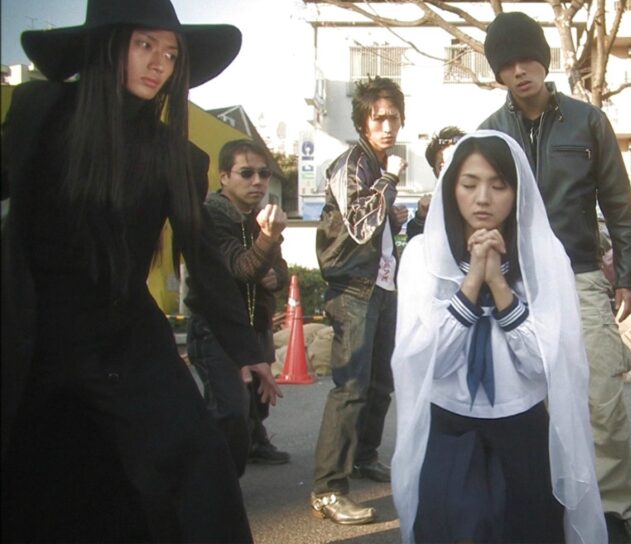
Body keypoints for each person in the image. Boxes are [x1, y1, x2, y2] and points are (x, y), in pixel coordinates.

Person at [0, 0, 280, 542]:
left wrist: (247, 350)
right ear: (110, 45)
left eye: (171, 53)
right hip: (39, 333)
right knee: (54, 474)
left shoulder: (177, 155)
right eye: (145, 44)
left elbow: (203, 259)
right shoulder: (40, 112)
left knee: (195, 461)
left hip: (126, 337)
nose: (159, 63)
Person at [391, 130, 606, 544]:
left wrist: (501, 288)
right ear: (451, 189)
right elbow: (429, 363)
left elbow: (544, 366)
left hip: (522, 425)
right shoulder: (422, 256)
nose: (483, 199)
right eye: (469, 184)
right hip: (448, 426)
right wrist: (472, 282)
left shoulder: (545, 257)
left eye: (499, 185)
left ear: (517, 191)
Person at [479, 11, 631, 543]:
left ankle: (611, 509)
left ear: (544, 61)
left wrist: (629, 274)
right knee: (526, 400)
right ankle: (543, 508)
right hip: (514, 284)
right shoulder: (490, 131)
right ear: (498, 73)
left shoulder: (588, 121)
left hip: (580, 275)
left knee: (600, 395)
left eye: (527, 59)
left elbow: (618, 201)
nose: (519, 71)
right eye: (507, 65)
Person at [311, 75, 409, 525]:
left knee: (380, 383)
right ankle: (328, 490)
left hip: (382, 285)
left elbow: (373, 228)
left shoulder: (375, 164)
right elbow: (359, 223)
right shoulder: (353, 162)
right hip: (353, 288)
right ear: (362, 122)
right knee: (351, 387)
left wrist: (394, 217)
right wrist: (389, 180)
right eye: (378, 118)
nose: (387, 126)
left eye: (394, 118)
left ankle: (363, 455)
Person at [186, 139, 291, 474]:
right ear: (224, 177)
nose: (257, 181)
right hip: (217, 328)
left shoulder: (259, 216)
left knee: (258, 402)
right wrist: (267, 239)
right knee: (229, 408)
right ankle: (215, 477)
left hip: (255, 324)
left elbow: (280, 268)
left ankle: (254, 442)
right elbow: (242, 268)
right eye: (246, 173)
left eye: (264, 173)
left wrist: (277, 275)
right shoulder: (212, 214)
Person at [407, 125, 465, 239]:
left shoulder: (486, 199)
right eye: (442, 166)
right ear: (435, 172)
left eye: (455, 162)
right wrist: (421, 218)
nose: (450, 170)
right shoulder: (431, 209)